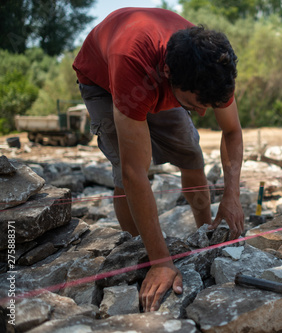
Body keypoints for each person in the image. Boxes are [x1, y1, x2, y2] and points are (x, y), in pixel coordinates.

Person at [73, 7, 244, 312]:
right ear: (168, 76)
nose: (204, 113)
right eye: (196, 104)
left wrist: (231, 195)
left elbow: (231, 131)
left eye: (210, 104)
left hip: (163, 78)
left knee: (191, 153)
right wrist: (163, 262)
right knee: (123, 171)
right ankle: (139, 252)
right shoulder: (133, 64)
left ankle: (206, 230)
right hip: (105, 80)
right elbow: (134, 172)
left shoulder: (211, 65)